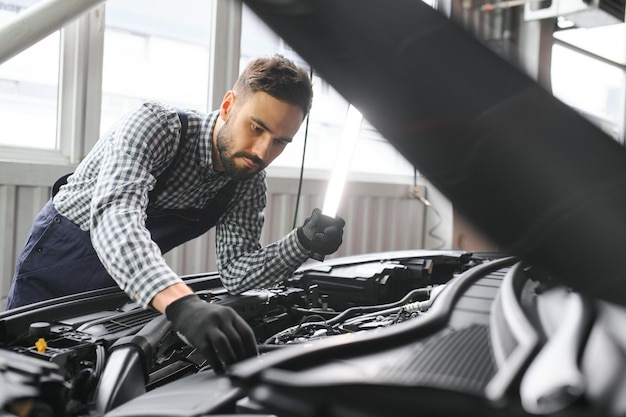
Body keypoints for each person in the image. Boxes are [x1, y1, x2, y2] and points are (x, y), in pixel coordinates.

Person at [6, 54, 346, 373]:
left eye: (280, 141)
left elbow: (237, 273)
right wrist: (182, 303)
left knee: (87, 372)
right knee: (27, 366)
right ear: (228, 105)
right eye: (256, 128)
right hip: (58, 261)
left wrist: (301, 242)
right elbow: (115, 215)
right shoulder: (157, 126)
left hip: (124, 281)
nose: (262, 152)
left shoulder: (247, 179)